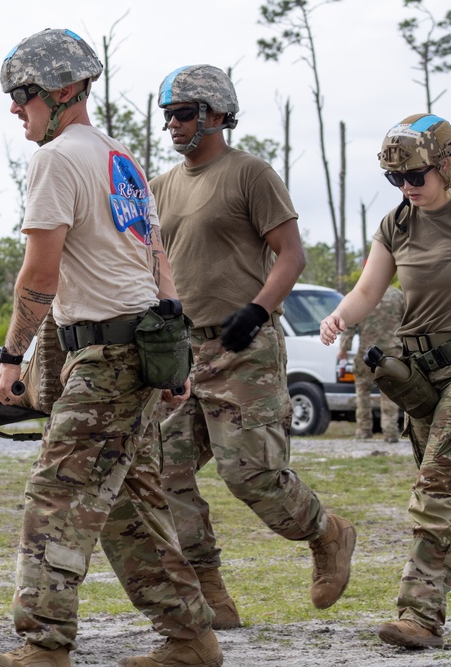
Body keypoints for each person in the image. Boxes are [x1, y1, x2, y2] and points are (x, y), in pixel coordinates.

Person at [0, 30, 221, 667]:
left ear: (60, 93)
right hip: (139, 347)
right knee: (128, 506)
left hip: (108, 357)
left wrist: (10, 360)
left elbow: (39, 274)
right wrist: (175, 352)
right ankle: (190, 638)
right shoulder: (119, 157)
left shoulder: (57, 158)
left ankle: (43, 646)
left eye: (21, 96)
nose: (13, 109)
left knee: (55, 496)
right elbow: (156, 256)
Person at [148, 64, 356, 630]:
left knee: (251, 473)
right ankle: (210, 594)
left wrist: (258, 310)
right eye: (167, 113)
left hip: (244, 347)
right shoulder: (161, 185)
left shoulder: (250, 175)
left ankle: (328, 533)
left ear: (216, 115)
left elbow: (291, 254)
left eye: (183, 113)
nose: (172, 123)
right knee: (166, 471)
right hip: (182, 352)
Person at [320, 113, 451, 649]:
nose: (407, 187)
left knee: (437, 484)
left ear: (447, 165)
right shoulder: (397, 223)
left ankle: (420, 615)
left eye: (416, 176)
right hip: (421, 376)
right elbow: (369, 290)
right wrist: (341, 317)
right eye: (397, 180)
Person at [337, 285, 406, 441]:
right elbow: (407, 321)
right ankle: (390, 432)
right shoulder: (398, 295)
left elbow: (349, 325)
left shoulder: (362, 294)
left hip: (366, 352)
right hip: (392, 351)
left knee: (362, 391)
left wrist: (343, 349)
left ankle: (363, 430)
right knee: (389, 391)